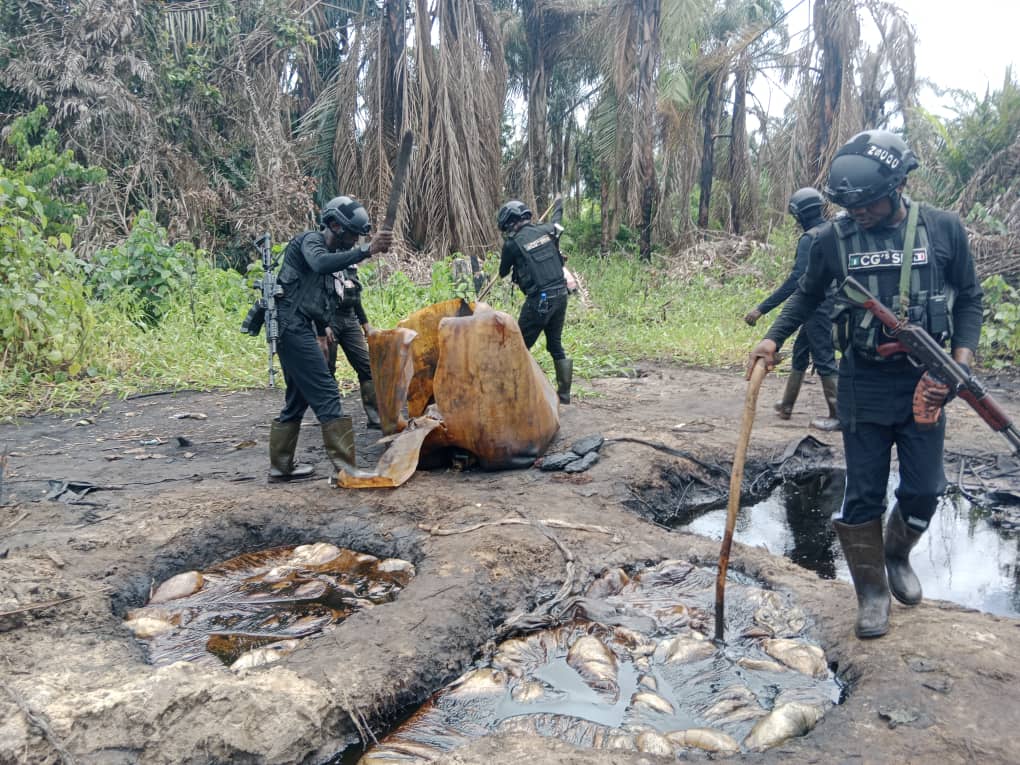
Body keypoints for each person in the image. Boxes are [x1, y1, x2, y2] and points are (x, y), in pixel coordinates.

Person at [746, 130, 983, 639]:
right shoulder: (832, 239)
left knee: (924, 490)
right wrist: (772, 338)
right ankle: (871, 592)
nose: (858, 214)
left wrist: (955, 366)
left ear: (897, 187)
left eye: (868, 204)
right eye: (848, 206)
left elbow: (969, 299)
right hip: (864, 384)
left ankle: (896, 553)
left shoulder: (943, 230)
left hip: (927, 385)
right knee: (863, 496)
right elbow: (807, 296)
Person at [268, 195, 392, 482]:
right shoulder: (309, 242)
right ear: (334, 225)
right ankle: (346, 470)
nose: (352, 240)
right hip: (291, 327)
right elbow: (320, 264)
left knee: (297, 399)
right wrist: (367, 250)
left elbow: (318, 298)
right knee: (326, 392)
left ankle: (280, 466)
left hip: (300, 325)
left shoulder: (336, 259)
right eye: (350, 233)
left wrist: (323, 328)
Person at [744, 188, 839, 431]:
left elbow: (797, 280)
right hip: (828, 303)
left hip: (817, 305)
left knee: (824, 358)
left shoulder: (811, 238)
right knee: (800, 351)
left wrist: (761, 308)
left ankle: (839, 414)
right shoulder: (831, 232)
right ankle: (787, 405)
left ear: (797, 215)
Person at [497, 198, 572, 404]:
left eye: (507, 227)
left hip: (540, 301)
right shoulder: (548, 230)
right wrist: (558, 205)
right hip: (561, 295)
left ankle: (516, 395)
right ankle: (564, 395)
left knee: (518, 346)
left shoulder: (512, 244)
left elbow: (502, 272)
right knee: (555, 344)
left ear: (511, 222)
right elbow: (558, 222)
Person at [326, 263, 381, 430]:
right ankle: (331, 417)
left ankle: (375, 417)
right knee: (327, 369)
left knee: (367, 366)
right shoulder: (322, 259)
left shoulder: (349, 263)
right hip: (328, 317)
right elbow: (315, 296)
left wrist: (365, 324)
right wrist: (322, 325)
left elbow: (355, 298)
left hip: (349, 319)